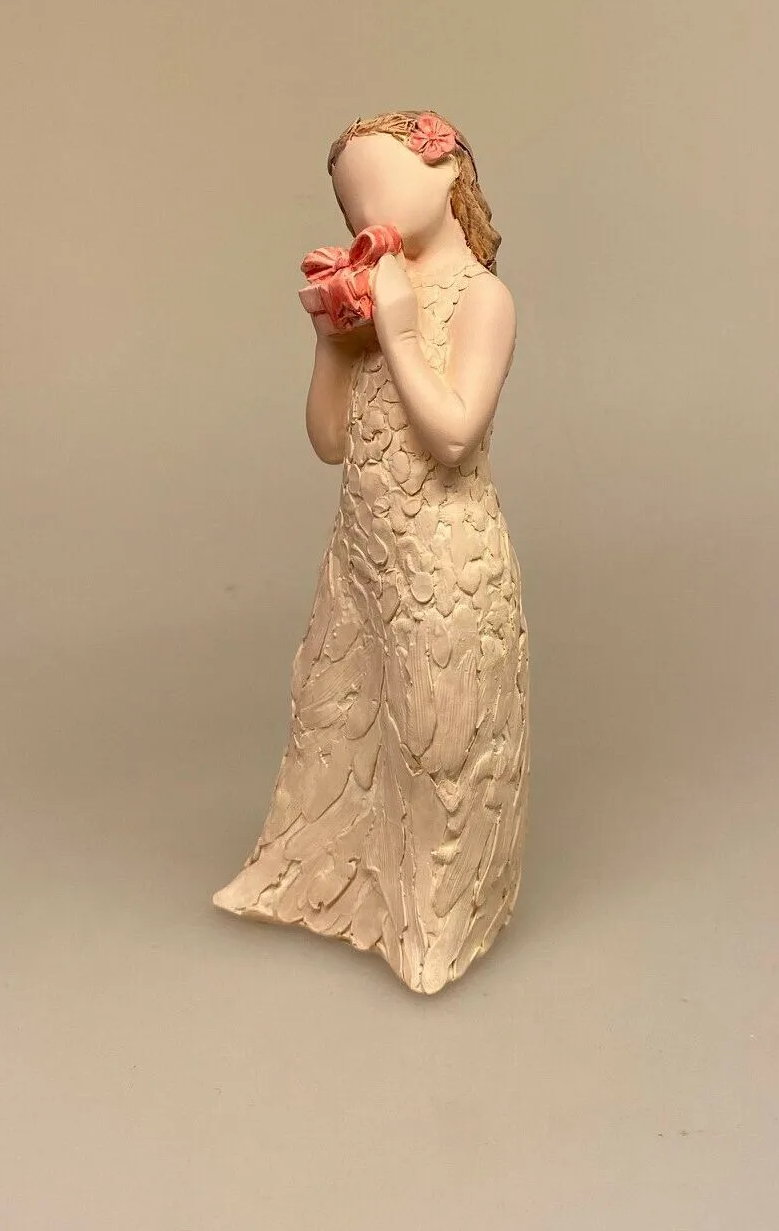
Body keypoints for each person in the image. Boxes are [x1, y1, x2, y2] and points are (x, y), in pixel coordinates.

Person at [213, 110, 530, 995]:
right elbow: (329, 441)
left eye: (380, 187)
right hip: (364, 551)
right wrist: (331, 341)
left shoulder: (483, 300)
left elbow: (455, 437)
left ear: (447, 170)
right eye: (352, 202)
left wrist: (398, 334)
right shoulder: (380, 290)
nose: (366, 216)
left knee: (438, 738)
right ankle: (327, 884)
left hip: (444, 559)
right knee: (337, 717)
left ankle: (435, 922)